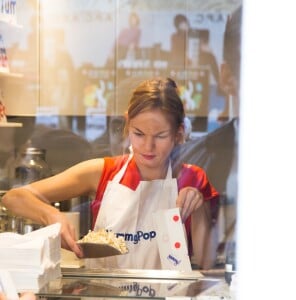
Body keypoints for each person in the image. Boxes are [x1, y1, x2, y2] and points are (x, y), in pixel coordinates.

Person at [2, 78, 219, 270]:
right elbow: (14, 198)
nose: (148, 146)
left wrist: (199, 209)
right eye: (138, 133)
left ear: (178, 133)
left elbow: (207, 261)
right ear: (127, 124)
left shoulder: (192, 179)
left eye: (161, 135)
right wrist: (50, 214)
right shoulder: (102, 172)